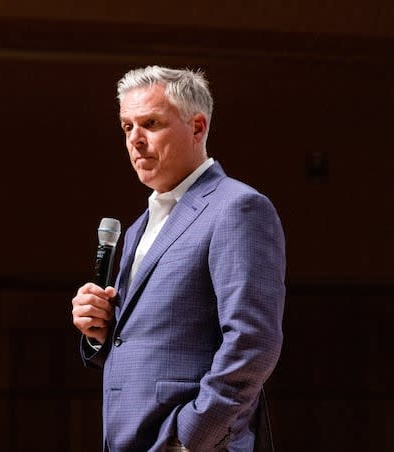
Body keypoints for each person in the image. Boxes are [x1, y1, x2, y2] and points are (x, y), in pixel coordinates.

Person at [71, 66, 285, 452]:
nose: (135, 140)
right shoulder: (138, 228)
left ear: (198, 128)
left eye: (150, 123)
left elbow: (253, 341)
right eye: (126, 127)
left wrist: (191, 437)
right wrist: (100, 330)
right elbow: (142, 343)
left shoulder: (237, 208)